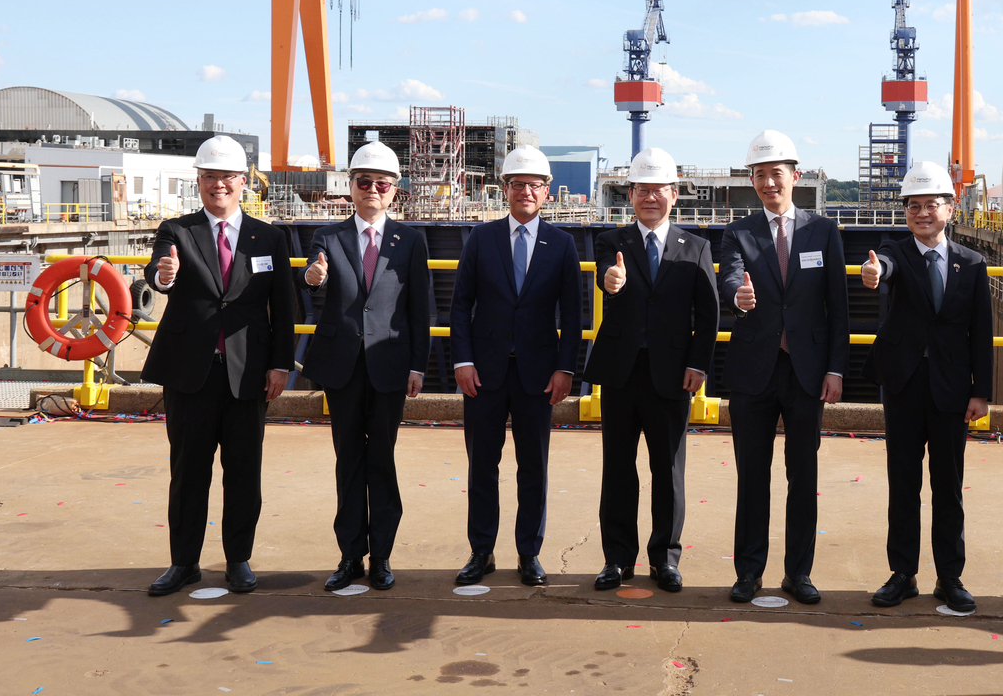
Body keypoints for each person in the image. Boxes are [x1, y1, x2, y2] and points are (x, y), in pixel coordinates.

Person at [142, 135, 295, 596]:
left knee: (244, 470)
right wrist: (161, 277)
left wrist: (281, 364)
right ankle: (184, 562)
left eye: (227, 176)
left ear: (244, 182)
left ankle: (238, 560)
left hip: (248, 373)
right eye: (210, 176)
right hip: (190, 373)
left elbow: (283, 308)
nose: (219, 185)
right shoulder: (177, 231)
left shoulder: (269, 237)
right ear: (199, 181)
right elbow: (157, 271)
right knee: (189, 470)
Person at [717, 130, 848, 605]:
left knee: (803, 475)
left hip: (806, 371)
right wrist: (737, 294)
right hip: (754, 370)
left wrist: (835, 369)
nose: (769, 182)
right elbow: (730, 273)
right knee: (752, 475)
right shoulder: (740, 230)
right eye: (759, 175)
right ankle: (749, 571)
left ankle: (799, 572)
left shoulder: (823, 231)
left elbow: (838, 306)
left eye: (777, 173)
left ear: (795, 176)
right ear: (751, 180)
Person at [299, 141, 433, 593]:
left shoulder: (411, 241)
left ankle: (383, 556)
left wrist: (418, 364)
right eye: (363, 182)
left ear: (394, 190)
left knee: (382, 459)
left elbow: (421, 309)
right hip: (342, 367)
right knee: (348, 460)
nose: (372, 189)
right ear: (350, 187)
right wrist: (312, 278)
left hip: (391, 366)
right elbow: (313, 278)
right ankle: (349, 554)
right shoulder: (328, 238)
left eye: (381, 183)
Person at [584, 147, 720, 594]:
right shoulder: (612, 242)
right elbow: (608, 275)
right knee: (618, 469)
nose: (649, 198)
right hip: (621, 373)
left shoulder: (696, 247)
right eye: (641, 190)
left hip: (672, 375)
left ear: (674, 195)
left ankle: (665, 559)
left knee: (668, 470)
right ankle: (617, 559)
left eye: (658, 190)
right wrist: (611, 282)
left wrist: (699, 364)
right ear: (630, 193)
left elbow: (709, 312)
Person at [860, 161, 992, 613]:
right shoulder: (892, 250)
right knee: (903, 481)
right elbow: (886, 268)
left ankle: (950, 576)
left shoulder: (972, 264)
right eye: (913, 206)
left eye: (930, 205)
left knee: (948, 485)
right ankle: (903, 574)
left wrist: (981, 391)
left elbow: (982, 331)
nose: (921, 213)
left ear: (949, 209)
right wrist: (875, 273)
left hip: (952, 388)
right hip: (903, 384)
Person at [450, 145, 582, 587]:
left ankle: (529, 552)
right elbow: (460, 305)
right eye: (517, 184)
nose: (526, 191)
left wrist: (565, 369)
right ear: (504, 190)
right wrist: (463, 361)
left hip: (538, 375)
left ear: (547, 193)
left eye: (534, 185)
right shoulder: (480, 239)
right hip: (483, 373)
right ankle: (481, 551)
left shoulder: (562, 245)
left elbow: (573, 314)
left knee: (534, 466)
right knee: (482, 464)